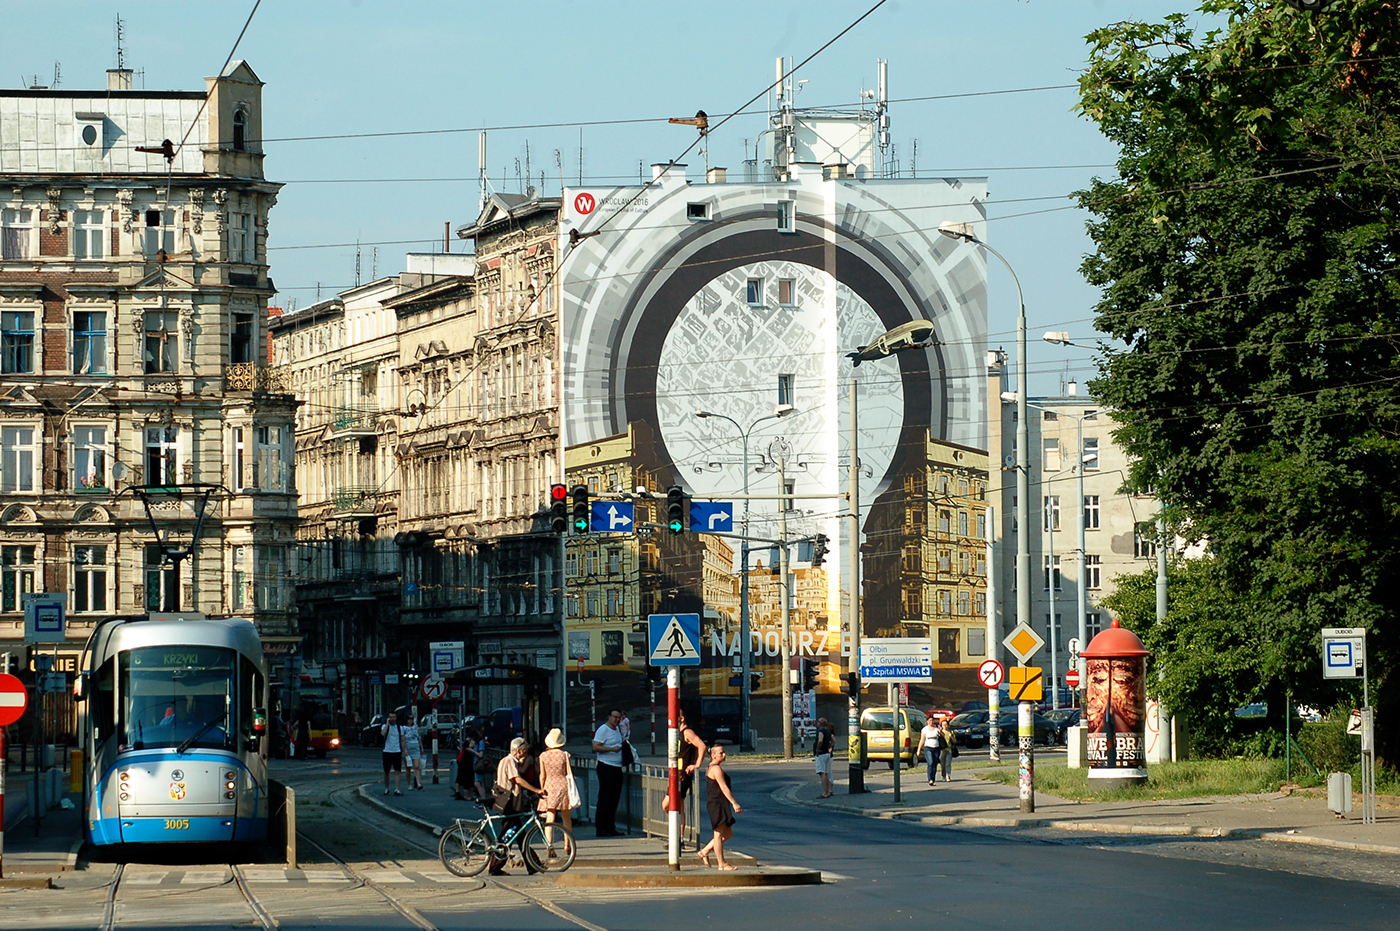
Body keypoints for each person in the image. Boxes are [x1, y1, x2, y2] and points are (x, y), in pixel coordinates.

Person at [491, 737, 543, 876]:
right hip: (510, 804)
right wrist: (536, 790)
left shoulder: (506, 761)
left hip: (511, 801)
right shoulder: (510, 761)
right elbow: (517, 780)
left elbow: (511, 785)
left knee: (520, 836)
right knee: (508, 836)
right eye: (525, 751)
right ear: (518, 751)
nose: (526, 755)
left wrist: (525, 797)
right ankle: (494, 867)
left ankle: (533, 865)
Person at [697, 743, 741, 871]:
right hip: (717, 804)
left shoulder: (713, 767)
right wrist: (734, 803)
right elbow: (723, 788)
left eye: (724, 752)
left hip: (719, 803)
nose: (724, 754)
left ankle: (704, 851)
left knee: (727, 834)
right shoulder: (715, 769)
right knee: (718, 834)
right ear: (713, 755)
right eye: (721, 753)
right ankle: (721, 864)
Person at [536, 728, 576, 860]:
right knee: (566, 817)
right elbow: (568, 773)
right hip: (562, 785)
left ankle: (549, 845)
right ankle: (567, 844)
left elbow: (542, 775)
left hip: (549, 786)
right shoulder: (565, 755)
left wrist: (542, 788)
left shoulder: (543, 756)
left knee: (550, 817)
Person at [592, 708, 626, 837]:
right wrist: (612, 749)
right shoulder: (603, 730)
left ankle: (610, 827)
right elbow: (595, 747)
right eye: (615, 717)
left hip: (616, 767)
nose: (617, 720)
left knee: (614, 799)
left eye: (619, 717)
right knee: (605, 798)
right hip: (606, 766)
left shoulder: (617, 729)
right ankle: (601, 828)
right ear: (609, 717)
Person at [676, 711, 707, 845]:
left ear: (681, 719)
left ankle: (679, 837)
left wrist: (697, 764)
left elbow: (702, 745)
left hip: (684, 774)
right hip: (676, 773)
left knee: (676, 805)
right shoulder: (676, 733)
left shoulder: (687, 732)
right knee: (671, 806)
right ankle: (677, 834)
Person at [453, 727, 484, 800]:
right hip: (464, 762)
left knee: (468, 778)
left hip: (468, 762)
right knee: (464, 777)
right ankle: (466, 795)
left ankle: (467, 794)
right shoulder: (468, 741)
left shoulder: (473, 741)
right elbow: (468, 748)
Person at [380, 711, 406, 795]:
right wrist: (387, 724)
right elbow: (383, 734)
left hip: (397, 751)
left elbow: (402, 739)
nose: (392, 719)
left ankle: (396, 789)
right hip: (387, 751)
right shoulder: (385, 726)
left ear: (396, 718)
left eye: (393, 717)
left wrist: (404, 750)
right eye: (390, 717)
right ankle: (387, 788)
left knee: (397, 770)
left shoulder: (400, 728)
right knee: (386, 771)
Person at [916, 713, 943, 786]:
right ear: (927, 721)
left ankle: (933, 780)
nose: (931, 722)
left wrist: (940, 732)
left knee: (935, 764)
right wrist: (919, 749)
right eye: (930, 720)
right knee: (930, 762)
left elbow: (943, 737)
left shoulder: (937, 728)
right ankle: (930, 779)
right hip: (928, 748)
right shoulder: (924, 729)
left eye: (932, 720)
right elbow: (922, 740)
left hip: (936, 748)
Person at [402, 709, 425, 790]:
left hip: (416, 748)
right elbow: (403, 739)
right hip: (408, 748)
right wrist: (404, 750)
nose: (410, 720)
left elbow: (419, 738)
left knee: (417, 766)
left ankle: (418, 783)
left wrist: (421, 747)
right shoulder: (403, 728)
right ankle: (409, 784)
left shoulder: (415, 727)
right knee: (408, 768)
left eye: (412, 718)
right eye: (409, 718)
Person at [812, 717, 835, 798]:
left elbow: (820, 740)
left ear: (820, 724)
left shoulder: (821, 731)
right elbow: (833, 741)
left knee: (822, 773)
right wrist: (829, 746)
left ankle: (825, 792)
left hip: (821, 754)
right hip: (827, 754)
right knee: (826, 773)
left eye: (818, 722)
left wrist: (817, 750)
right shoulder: (828, 731)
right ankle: (828, 791)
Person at [939, 715, 955, 782]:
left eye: (946, 725)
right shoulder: (940, 732)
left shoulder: (951, 732)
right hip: (942, 750)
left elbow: (955, 741)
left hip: (949, 749)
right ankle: (943, 775)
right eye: (943, 725)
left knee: (948, 763)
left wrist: (951, 737)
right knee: (943, 764)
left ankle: (948, 775)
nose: (945, 726)